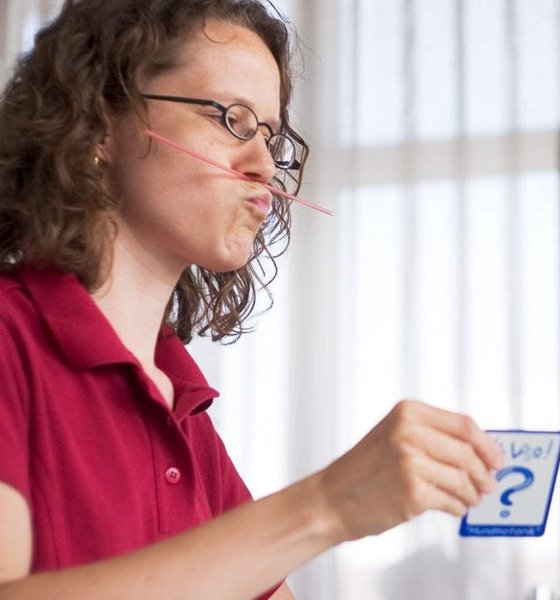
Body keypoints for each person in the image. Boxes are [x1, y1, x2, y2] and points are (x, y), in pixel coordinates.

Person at [0, 1, 503, 598]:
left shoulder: (182, 409)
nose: (265, 165)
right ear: (101, 125)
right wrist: (326, 506)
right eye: (233, 120)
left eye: (270, 135)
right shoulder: (11, 343)